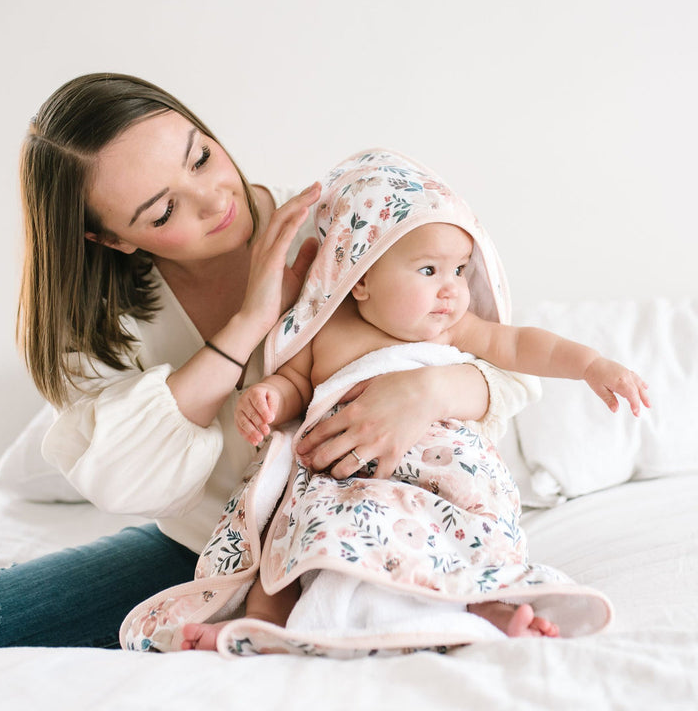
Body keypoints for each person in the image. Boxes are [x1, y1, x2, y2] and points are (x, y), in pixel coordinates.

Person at [0, 77, 537, 657]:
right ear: (113, 239)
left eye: (200, 156)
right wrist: (249, 323)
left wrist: (424, 390)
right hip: (207, 553)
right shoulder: (101, 327)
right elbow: (129, 482)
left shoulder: (347, 227)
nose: (213, 199)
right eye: (163, 211)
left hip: (389, 514)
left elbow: (511, 367)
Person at [134, 149, 635, 655]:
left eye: (460, 269)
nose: (452, 290)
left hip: (443, 465)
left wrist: (591, 365)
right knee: (287, 531)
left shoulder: (455, 326)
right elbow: (294, 387)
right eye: (428, 270)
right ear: (363, 277)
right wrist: (267, 397)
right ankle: (264, 626)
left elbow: (524, 345)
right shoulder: (321, 328)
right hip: (344, 474)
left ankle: (490, 602)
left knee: (473, 525)